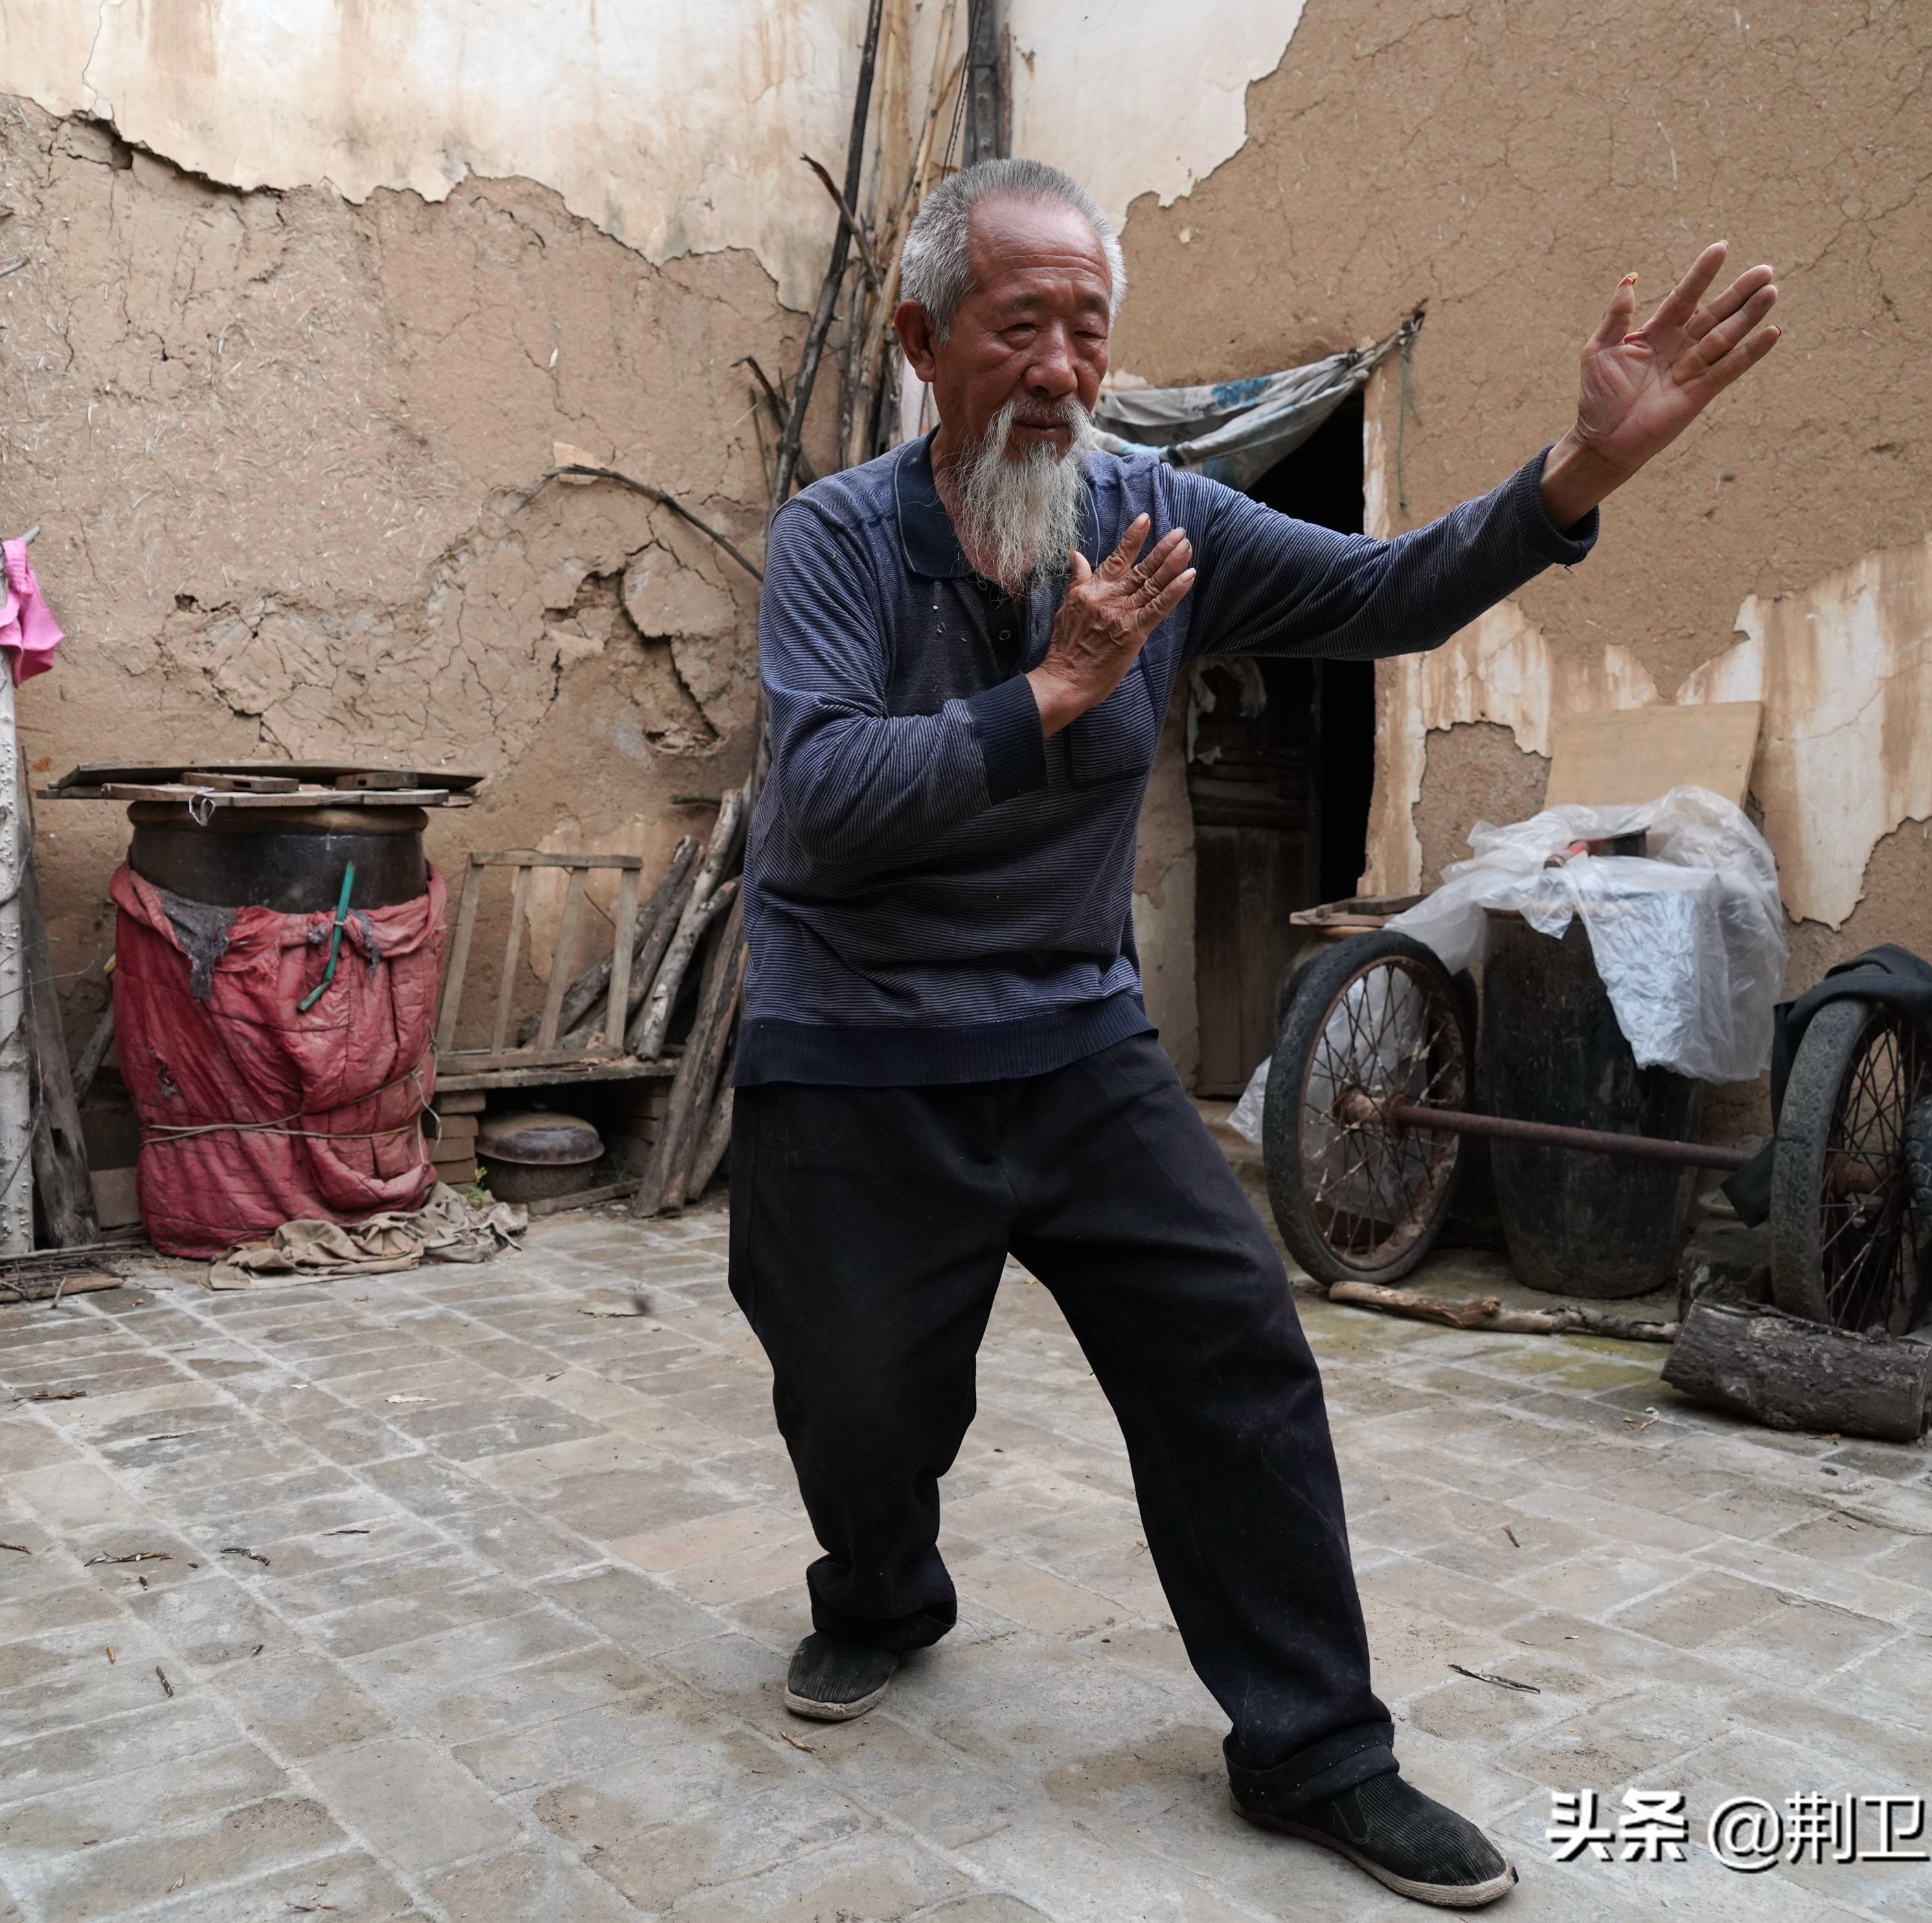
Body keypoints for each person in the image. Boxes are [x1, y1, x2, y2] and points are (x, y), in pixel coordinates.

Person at [727, 157, 1779, 1909]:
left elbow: (1391, 593)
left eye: (1091, 327)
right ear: (922, 340)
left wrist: (1580, 472)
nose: (1064, 368)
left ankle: (1317, 1747)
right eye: (1021, 325)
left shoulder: (1157, 516)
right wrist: (1052, 691)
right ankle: (883, 1589)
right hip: (856, 1045)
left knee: (1237, 1354)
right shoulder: (840, 540)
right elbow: (823, 800)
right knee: (855, 1397)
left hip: (1070, 1040)